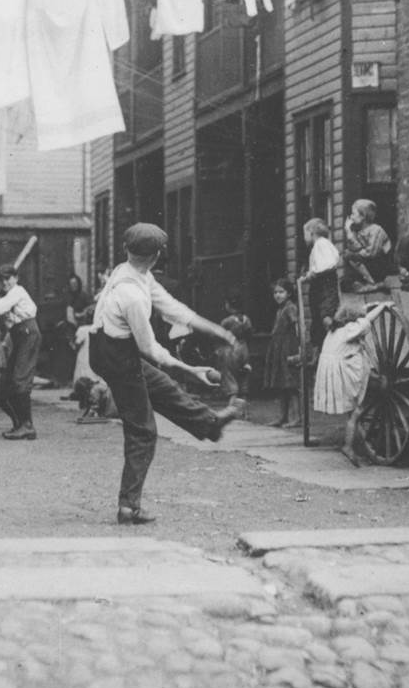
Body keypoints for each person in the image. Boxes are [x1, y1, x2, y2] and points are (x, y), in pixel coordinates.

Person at [89, 223, 239, 526]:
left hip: (112, 348)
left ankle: (210, 423)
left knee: (162, 386)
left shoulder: (134, 273)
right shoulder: (132, 295)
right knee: (143, 430)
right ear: (157, 256)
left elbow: (173, 308)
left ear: (126, 250)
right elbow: (151, 349)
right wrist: (191, 370)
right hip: (115, 356)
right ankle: (129, 506)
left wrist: (215, 330)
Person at [312, 306, 380, 467]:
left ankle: (362, 444)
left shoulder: (334, 331)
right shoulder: (349, 330)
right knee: (355, 412)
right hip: (345, 375)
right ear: (352, 321)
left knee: (353, 412)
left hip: (336, 376)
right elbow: (366, 321)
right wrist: (383, 306)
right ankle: (348, 446)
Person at [0, 263, 41, 440]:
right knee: (6, 383)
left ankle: (27, 426)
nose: (5, 282)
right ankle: (19, 423)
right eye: (1, 280)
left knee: (20, 379)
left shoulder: (18, 291)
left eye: (8, 278)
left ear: (15, 278)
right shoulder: (5, 295)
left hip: (28, 333)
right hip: (17, 336)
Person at [263, 277, 301, 428]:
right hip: (278, 348)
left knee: (291, 384)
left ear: (289, 293)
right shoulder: (280, 309)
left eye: (281, 292)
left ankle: (297, 418)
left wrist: (299, 349)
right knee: (281, 384)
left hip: (288, 347)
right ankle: (282, 417)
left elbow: (297, 328)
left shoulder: (291, 308)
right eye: (275, 292)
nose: (278, 295)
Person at [303, 218, 341, 355]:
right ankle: (320, 352)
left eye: (305, 234)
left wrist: (311, 274)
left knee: (326, 314)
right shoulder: (317, 247)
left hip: (324, 284)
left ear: (311, 232)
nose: (304, 238)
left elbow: (327, 264)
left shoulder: (322, 244)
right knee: (317, 317)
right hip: (318, 285)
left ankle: (333, 347)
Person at [342, 199, 392, 290]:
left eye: (353, 214)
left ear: (363, 216)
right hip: (367, 263)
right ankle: (367, 282)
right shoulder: (358, 231)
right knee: (348, 255)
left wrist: (354, 252)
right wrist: (349, 233)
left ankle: (373, 283)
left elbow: (371, 253)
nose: (351, 217)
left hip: (379, 264)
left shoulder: (376, 230)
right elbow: (354, 248)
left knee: (351, 256)